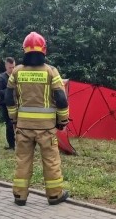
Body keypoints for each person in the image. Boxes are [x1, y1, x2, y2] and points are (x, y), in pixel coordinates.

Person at [5, 31, 70, 206]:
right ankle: (55, 195)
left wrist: (13, 118)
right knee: (51, 161)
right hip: (46, 128)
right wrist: (63, 121)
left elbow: (8, 97)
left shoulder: (17, 72)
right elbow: (62, 99)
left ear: (24, 50)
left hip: (23, 127)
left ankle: (20, 196)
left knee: (22, 161)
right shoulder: (51, 71)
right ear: (44, 50)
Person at [0, 57, 16, 150]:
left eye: (13, 67)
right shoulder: (2, 77)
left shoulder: (17, 75)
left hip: (17, 104)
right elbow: (0, 91)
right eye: (10, 68)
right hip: (6, 104)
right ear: (6, 66)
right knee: (9, 124)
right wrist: (11, 91)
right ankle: (11, 144)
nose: (12, 69)